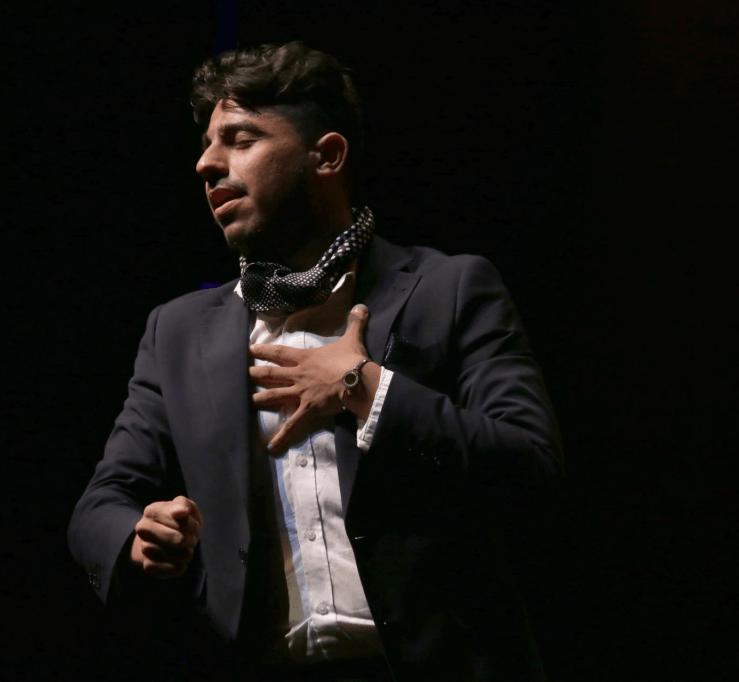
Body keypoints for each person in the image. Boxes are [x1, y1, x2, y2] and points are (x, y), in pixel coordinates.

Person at [68, 41, 563, 681]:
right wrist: (137, 536)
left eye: (240, 139)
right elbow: (102, 504)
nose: (206, 163)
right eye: (208, 144)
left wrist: (367, 388)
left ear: (326, 156)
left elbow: (532, 468)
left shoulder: (450, 288)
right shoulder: (179, 332)